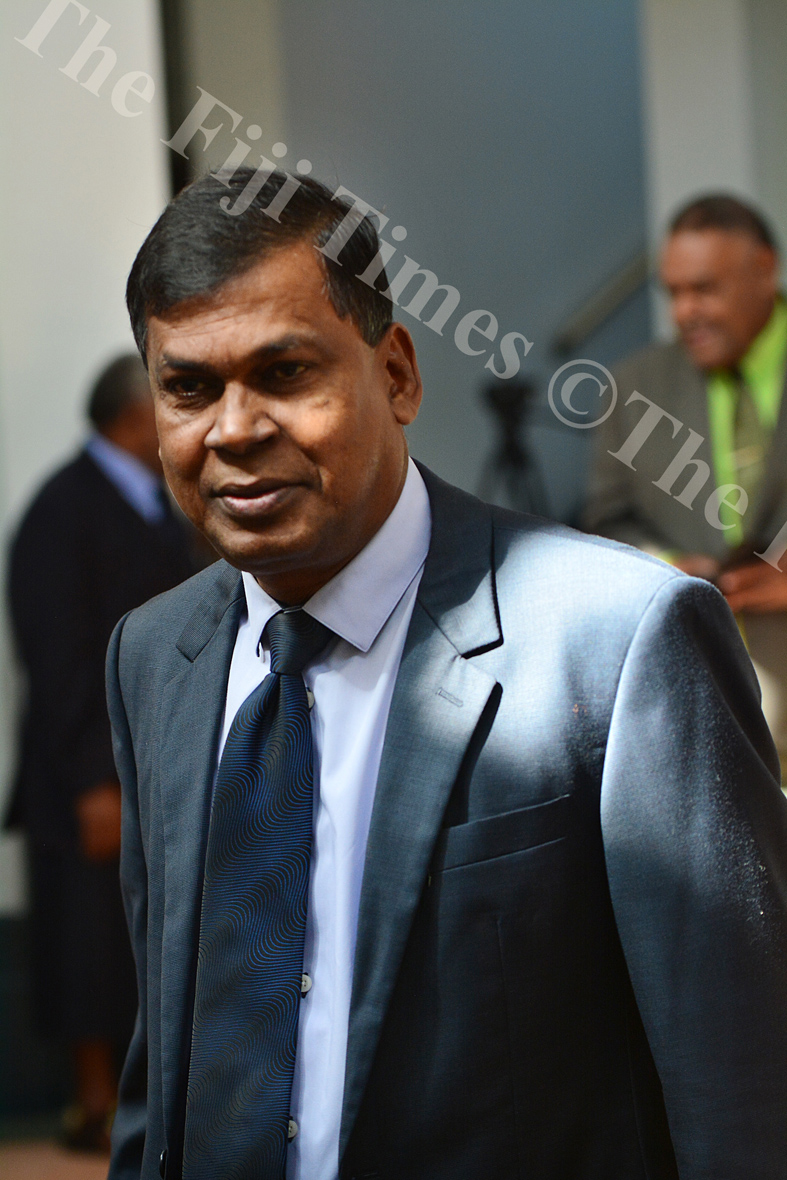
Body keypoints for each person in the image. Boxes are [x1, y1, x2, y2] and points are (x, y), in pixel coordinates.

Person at [107, 171, 787, 1180]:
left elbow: (738, 1086)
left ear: (397, 375)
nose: (234, 428)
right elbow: (163, 1068)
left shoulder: (621, 642)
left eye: (286, 372)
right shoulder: (154, 653)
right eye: (189, 387)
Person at [6, 354, 198, 1151]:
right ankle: (94, 1106)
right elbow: (57, 658)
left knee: (142, 944)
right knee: (84, 947)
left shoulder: (163, 504)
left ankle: (153, 1107)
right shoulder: (63, 507)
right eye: (173, 397)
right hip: (83, 778)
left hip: (153, 764)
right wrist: (94, 780)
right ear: (132, 417)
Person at [584, 194, 787, 772]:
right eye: (672, 292)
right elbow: (607, 520)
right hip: (697, 716)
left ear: (764, 270)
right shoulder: (632, 386)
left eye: (704, 289)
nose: (684, 312)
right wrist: (662, 563)